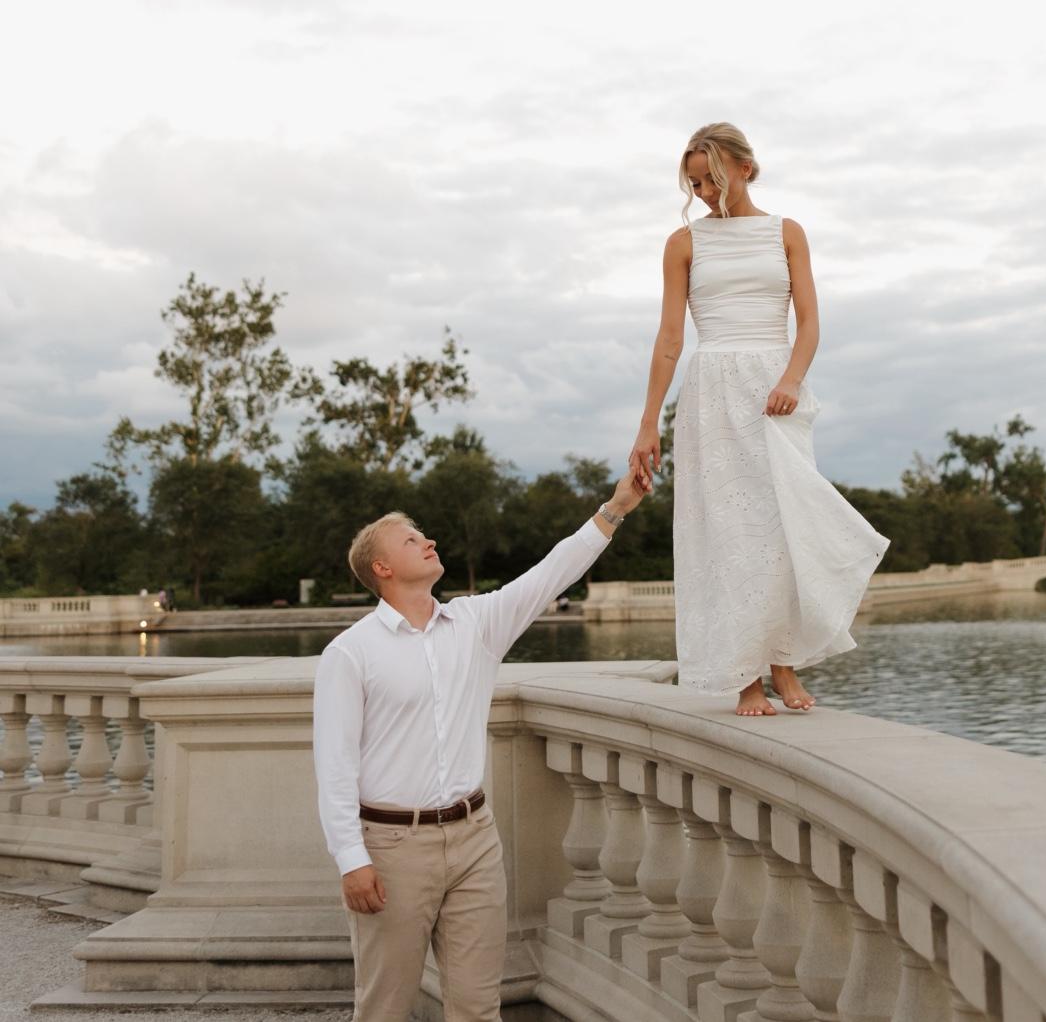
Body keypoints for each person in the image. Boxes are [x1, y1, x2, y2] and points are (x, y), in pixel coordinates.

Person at [313, 472, 646, 1022]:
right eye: (411, 539)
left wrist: (616, 508)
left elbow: (550, 573)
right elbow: (334, 766)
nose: (429, 541)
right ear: (382, 568)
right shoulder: (350, 653)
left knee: (478, 1007)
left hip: (475, 842)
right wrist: (352, 859)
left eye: (423, 534)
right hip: (393, 849)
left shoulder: (475, 624)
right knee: (383, 1008)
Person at [630, 123, 888, 717]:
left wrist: (791, 379)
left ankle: (784, 662)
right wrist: (648, 423)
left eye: (713, 179)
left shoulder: (786, 232)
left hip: (776, 390)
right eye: (695, 184)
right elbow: (670, 339)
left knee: (784, 528)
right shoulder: (683, 243)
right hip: (712, 391)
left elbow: (810, 322)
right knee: (728, 532)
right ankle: (746, 676)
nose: (704, 193)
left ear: (746, 168)